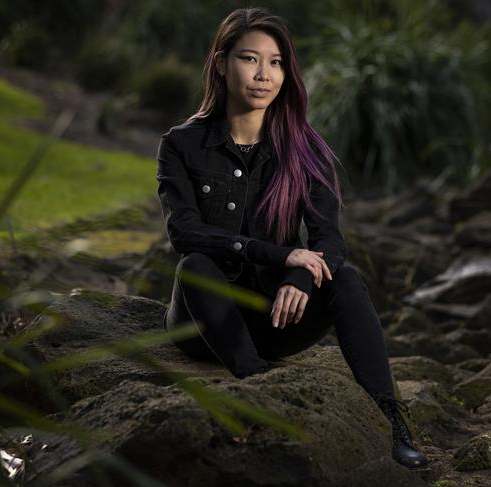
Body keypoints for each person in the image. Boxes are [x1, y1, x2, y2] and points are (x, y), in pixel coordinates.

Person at [156, 7, 429, 469]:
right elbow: (184, 233)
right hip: (205, 324)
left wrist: (300, 278)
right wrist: (283, 255)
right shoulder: (181, 144)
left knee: (346, 280)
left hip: (275, 321)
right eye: (250, 59)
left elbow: (329, 240)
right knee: (195, 267)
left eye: (276, 62)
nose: (264, 75)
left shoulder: (304, 149)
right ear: (221, 64)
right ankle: (254, 381)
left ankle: (391, 422)